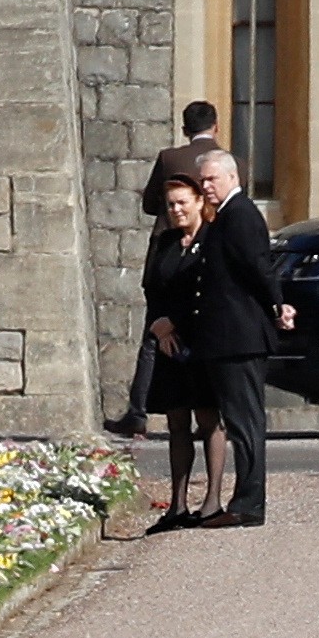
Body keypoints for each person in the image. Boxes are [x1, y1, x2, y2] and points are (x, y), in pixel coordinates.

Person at [105, 99, 223, 438]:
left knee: (153, 335)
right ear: (215, 127)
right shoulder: (233, 163)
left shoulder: (170, 158)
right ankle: (209, 413)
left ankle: (138, 412)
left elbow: (148, 204)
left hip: (167, 254)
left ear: (185, 130)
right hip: (208, 251)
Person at [190, 150, 294, 528]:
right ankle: (245, 501)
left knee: (246, 424)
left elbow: (259, 269)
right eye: (202, 181)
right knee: (239, 422)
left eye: (211, 179)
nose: (205, 186)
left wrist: (277, 307)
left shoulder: (241, 215)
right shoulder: (226, 217)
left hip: (240, 337)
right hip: (229, 337)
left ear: (232, 177)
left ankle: (249, 504)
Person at [140, 174, 228, 535]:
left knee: (209, 420)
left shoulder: (213, 239)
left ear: (197, 202)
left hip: (203, 341)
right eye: (171, 204)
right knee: (176, 423)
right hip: (169, 345)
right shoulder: (165, 243)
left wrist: (178, 322)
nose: (176, 210)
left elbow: (215, 290)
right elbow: (152, 288)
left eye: (182, 203)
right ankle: (177, 504)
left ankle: (212, 500)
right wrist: (158, 324)